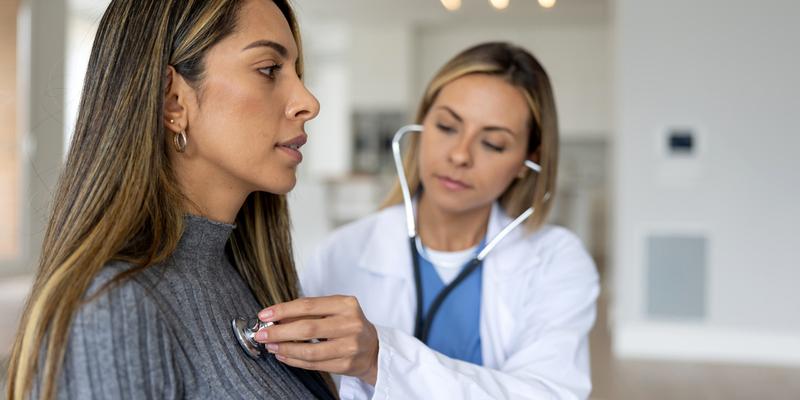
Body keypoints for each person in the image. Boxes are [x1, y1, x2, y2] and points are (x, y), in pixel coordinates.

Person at [5, 0, 337, 399]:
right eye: (268, 69)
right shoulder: (111, 310)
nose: (308, 103)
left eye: (296, 73)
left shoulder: (244, 277)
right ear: (172, 101)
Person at [252, 42, 600, 399]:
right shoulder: (343, 252)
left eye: (493, 144)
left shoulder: (556, 262)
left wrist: (380, 360)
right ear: (422, 126)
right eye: (447, 126)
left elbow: (550, 393)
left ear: (528, 160)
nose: (460, 155)